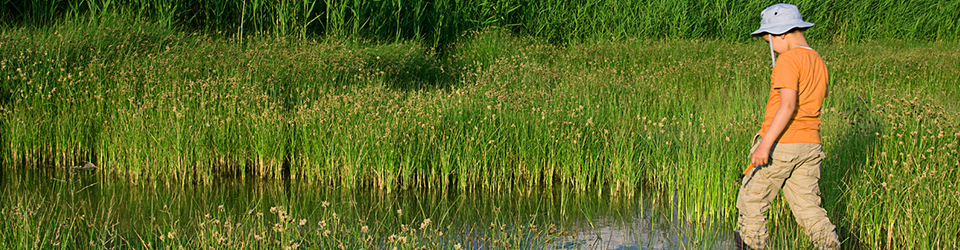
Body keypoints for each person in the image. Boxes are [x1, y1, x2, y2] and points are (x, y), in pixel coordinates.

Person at [734, 3, 840, 250]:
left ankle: (753, 246)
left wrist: (765, 146)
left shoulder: (788, 59)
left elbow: (788, 105)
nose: (769, 46)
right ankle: (829, 246)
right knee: (808, 207)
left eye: (769, 39)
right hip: (810, 144)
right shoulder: (818, 60)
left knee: (751, 200)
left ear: (781, 33)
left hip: (782, 144)